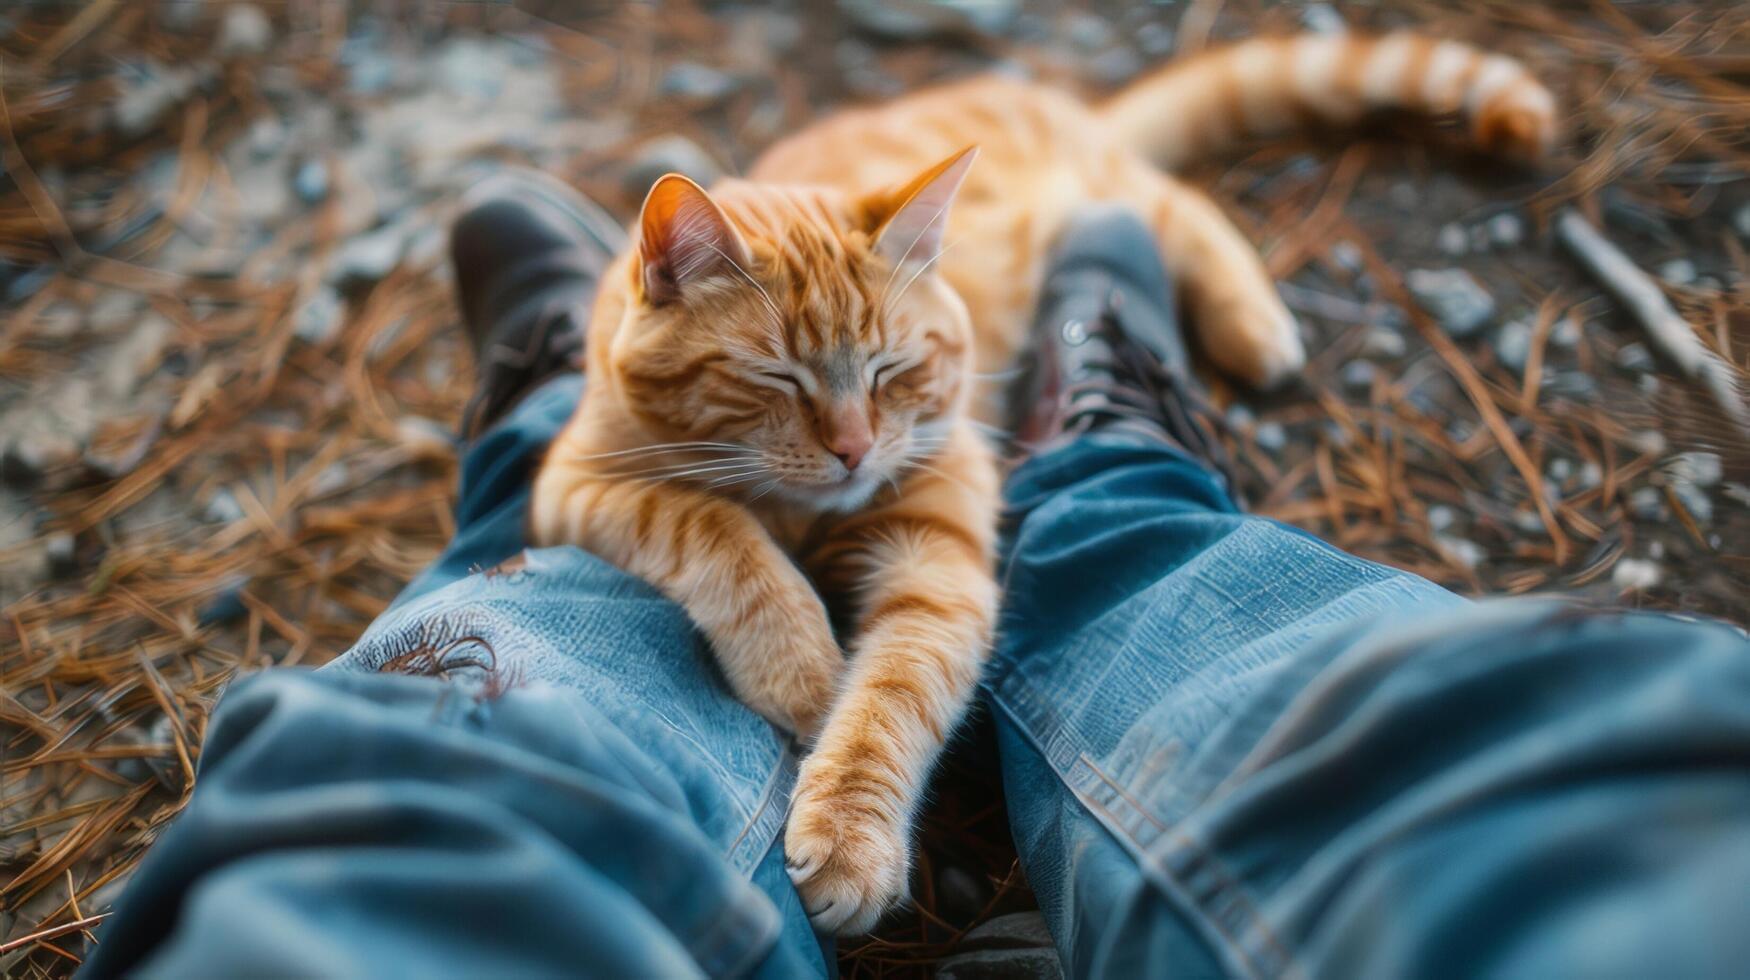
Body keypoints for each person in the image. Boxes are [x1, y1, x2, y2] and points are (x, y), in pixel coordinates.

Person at [81, 171, 1750, 979]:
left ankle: (529, 480)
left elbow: (916, 543)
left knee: (479, 679)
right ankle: (1117, 481)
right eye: (783, 393)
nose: (846, 441)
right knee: (1435, 708)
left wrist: (864, 772)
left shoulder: (888, 360)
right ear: (674, 283)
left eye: (887, 378)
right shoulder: (725, 321)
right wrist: (753, 585)